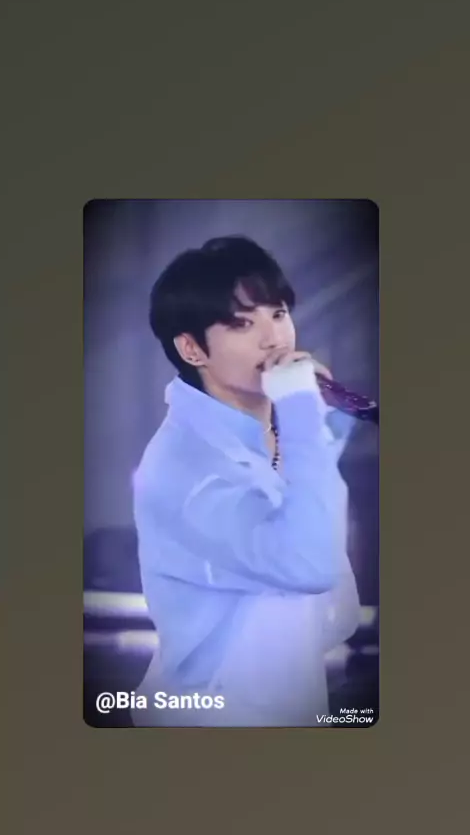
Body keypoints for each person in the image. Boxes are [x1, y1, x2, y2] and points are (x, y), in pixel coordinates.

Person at [132, 235, 360, 727]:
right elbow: (309, 565)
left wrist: (320, 416)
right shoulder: (184, 465)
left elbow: (331, 611)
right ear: (192, 348)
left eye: (278, 313)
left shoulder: (277, 431)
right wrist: (302, 414)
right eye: (241, 323)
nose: (274, 339)